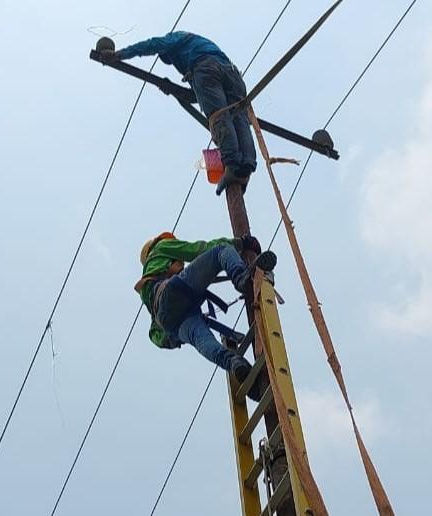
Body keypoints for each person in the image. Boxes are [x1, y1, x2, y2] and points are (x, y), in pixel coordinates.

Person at [108, 32, 257, 195]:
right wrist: (172, 89)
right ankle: (245, 169)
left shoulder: (177, 38)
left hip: (207, 68)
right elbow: (198, 96)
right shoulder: (200, 45)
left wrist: (120, 54)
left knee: (218, 115)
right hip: (232, 74)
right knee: (238, 116)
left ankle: (232, 164)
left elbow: (153, 44)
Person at [134, 232, 275, 399]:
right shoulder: (161, 247)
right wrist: (241, 243)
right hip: (171, 293)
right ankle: (242, 278)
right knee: (221, 250)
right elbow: (198, 250)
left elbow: (154, 335)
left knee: (203, 341)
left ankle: (234, 363)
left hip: (172, 322)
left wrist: (174, 339)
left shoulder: (146, 289)